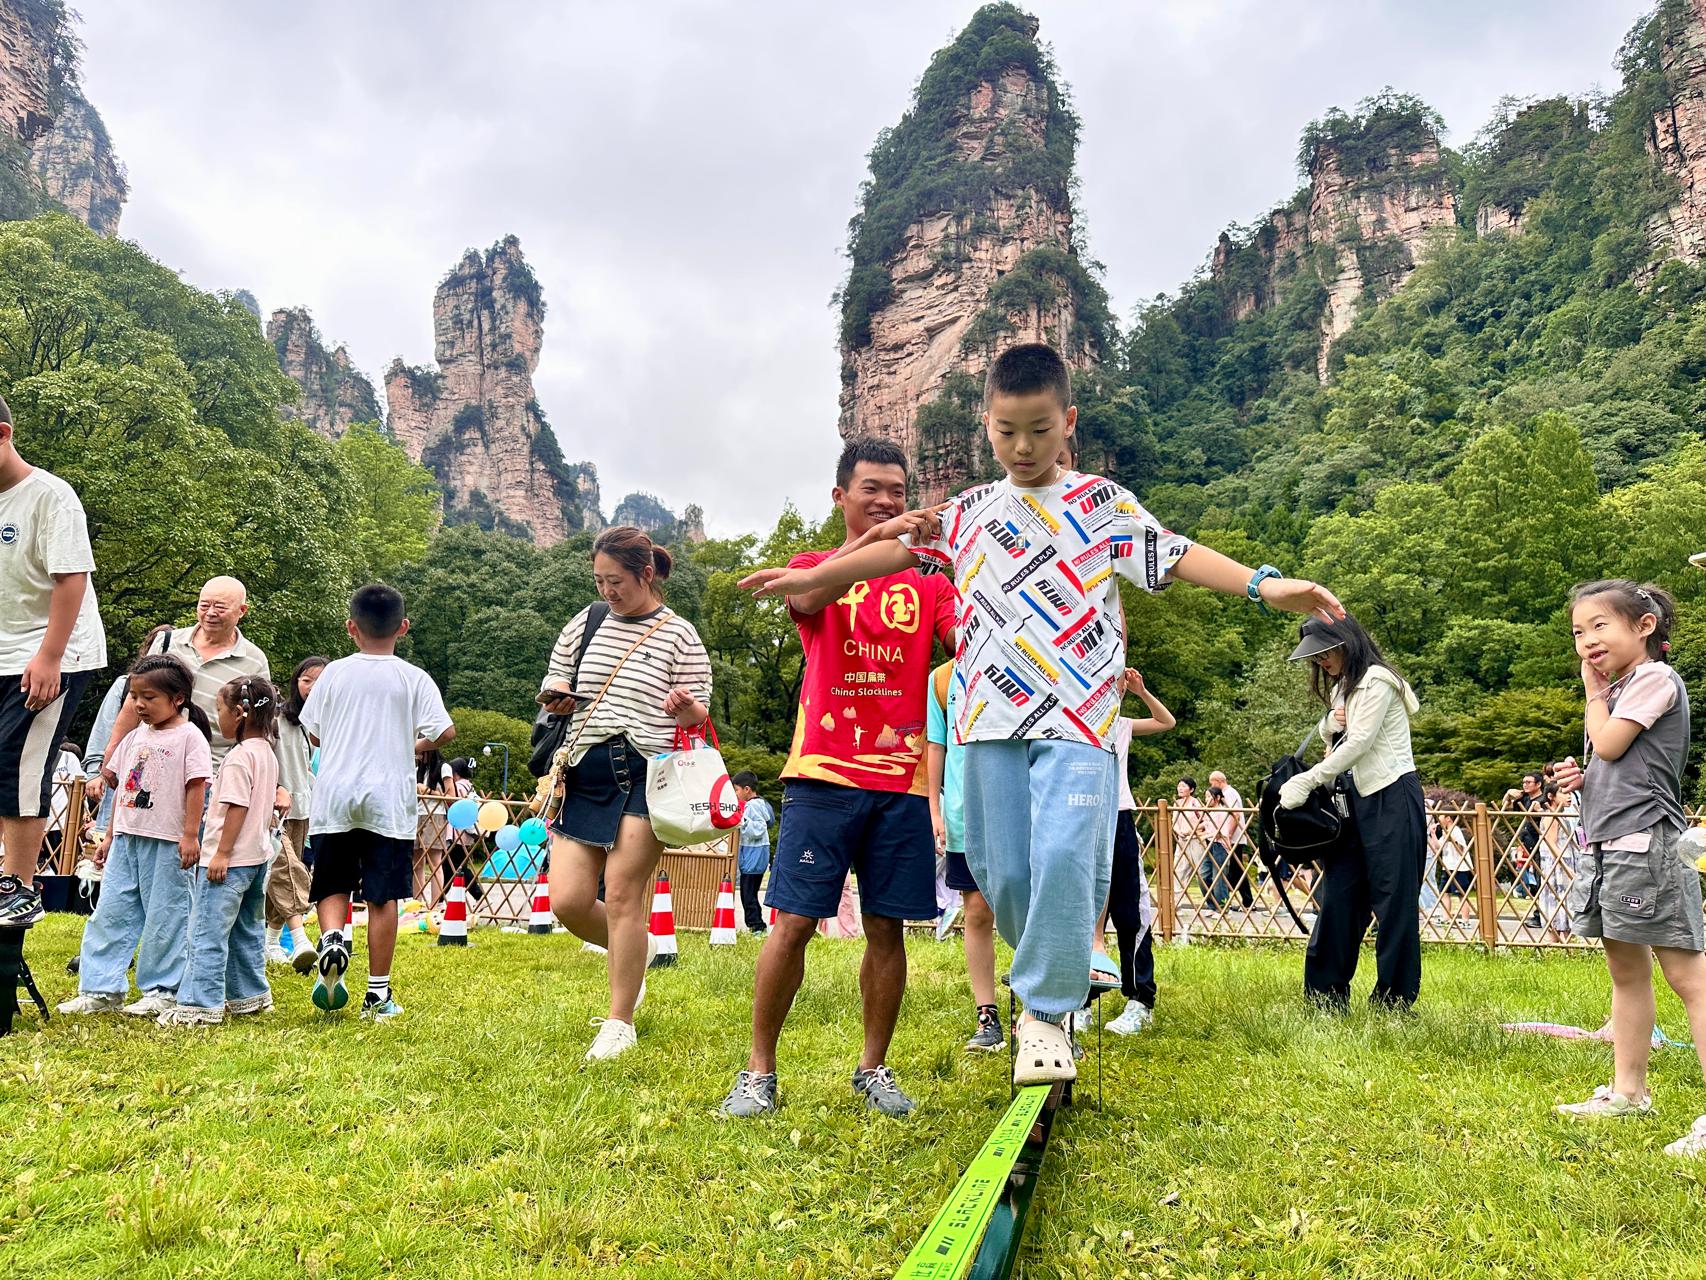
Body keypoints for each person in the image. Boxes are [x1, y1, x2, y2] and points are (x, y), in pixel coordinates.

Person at [741, 343, 1341, 1084]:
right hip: (986, 723)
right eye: (1005, 432)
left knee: (1063, 854)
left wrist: (1264, 585)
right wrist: (816, 576)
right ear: (985, 427)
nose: (1023, 448)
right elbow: (893, 557)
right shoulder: (967, 513)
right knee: (998, 870)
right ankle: (1046, 986)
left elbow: (1177, 554)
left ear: (1069, 423)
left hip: (1079, 720)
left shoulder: (1102, 505)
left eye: (1040, 430)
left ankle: (1048, 1011)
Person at [721, 437, 958, 1119]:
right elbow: (810, 593)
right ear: (840, 496)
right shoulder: (813, 567)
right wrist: (882, 538)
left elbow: (963, 641)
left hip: (903, 783)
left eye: (896, 492)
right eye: (871, 490)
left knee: (887, 929)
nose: (886, 502)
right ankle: (759, 1072)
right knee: (792, 921)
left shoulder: (929, 580)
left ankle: (873, 1068)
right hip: (823, 774)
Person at [538, 526, 711, 1061]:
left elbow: (699, 712)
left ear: (647, 574)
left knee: (621, 895)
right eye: (599, 580)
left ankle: (619, 1021)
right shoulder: (585, 622)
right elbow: (555, 687)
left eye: (616, 580)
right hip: (584, 769)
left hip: (644, 772)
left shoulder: (681, 635)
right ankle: (638, 948)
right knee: (567, 900)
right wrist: (557, 699)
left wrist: (685, 708)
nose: (607, 590)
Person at [1551, 581, 1706, 1158]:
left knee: (1690, 978)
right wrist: (1583, 779)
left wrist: (1593, 696)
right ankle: (1628, 1093)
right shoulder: (1624, 689)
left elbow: (1612, 745)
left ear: (1644, 627)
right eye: (1578, 632)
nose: (1587, 641)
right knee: (1626, 972)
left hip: (1649, 849)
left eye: (1599, 626)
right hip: (1614, 848)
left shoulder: (1654, 680)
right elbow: (1615, 764)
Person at [302, 583, 455, 1021]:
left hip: (335, 794)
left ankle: (332, 939)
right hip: (388, 799)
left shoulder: (332, 674)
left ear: (351, 628)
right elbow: (445, 732)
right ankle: (378, 994)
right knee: (383, 897)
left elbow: (314, 731)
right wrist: (410, 743)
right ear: (402, 627)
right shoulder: (413, 678)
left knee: (332, 883)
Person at [1280, 614, 1426, 1010]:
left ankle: (1393, 1002)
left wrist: (1307, 780)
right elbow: (1339, 739)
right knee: (1338, 897)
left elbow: (1360, 742)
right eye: (1316, 656)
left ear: (1346, 642)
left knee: (1394, 902)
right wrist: (1328, 724)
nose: (1322, 660)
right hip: (1349, 802)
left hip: (1391, 797)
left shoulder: (1378, 680)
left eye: (1326, 651)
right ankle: (1324, 996)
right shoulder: (1344, 686)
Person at [0, 393, 107, 925]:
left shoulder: (50, 497)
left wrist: (49, 658)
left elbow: (71, 579)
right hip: (3, 650)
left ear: (3, 435)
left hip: (55, 650)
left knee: (17, 759)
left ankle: (18, 887)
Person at [55, 656, 212, 1016]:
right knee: (111, 912)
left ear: (178, 699)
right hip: (127, 839)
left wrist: (190, 836)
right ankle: (101, 988)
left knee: (166, 916)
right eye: (135, 696)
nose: (139, 704)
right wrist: (109, 837)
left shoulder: (190, 738)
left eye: (149, 697)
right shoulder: (133, 738)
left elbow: (196, 788)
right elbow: (123, 790)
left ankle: (163, 989)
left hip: (168, 842)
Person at [160, 677, 281, 1026]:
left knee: (207, 933)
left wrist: (222, 854)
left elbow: (237, 806)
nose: (218, 719)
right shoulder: (266, 753)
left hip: (227, 862)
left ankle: (199, 1006)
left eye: (220, 710)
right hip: (256, 859)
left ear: (241, 713)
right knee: (246, 931)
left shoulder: (239, 757)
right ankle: (250, 996)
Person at [95, 576, 275, 781]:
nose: (210, 613)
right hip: (148, 761)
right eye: (204, 605)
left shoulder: (255, 660)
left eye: (220, 607)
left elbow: (260, 722)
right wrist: (113, 749)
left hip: (210, 771)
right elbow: (134, 699)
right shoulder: (167, 643)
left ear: (242, 611)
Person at [927, 658, 1002, 1051]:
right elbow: (935, 745)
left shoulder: (1016, 657)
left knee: (1026, 907)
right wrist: (935, 809)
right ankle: (987, 1015)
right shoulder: (941, 679)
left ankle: (1043, 1013)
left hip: (1013, 809)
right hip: (962, 811)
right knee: (976, 909)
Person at [1102, 669, 1176, 1034]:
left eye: (1116, 683)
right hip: (1080, 818)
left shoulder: (1123, 725)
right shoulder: (1068, 723)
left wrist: (1142, 691)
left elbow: (1167, 722)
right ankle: (1082, 1000)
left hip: (1117, 818)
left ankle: (1140, 999)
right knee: (1083, 914)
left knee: (1131, 910)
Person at [269, 655, 326, 970]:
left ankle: (270, 942)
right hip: (275, 807)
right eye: (307, 679)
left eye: (320, 680)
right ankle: (299, 937)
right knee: (288, 869)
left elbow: (308, 768)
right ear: (296, 682)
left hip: (304, 808)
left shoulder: (324, 723)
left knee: (281, 873)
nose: (312, 687)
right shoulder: (278, 719)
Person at [732, 772, 775, 936]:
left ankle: (757, 926)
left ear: (747, 789)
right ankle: (757, 925)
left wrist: (740, 819)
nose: (736, 794)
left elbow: (758, 828)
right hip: (755, 855)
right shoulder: (758, 804)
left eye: (736, 790)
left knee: (748, 894)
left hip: (754, 855)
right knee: (749, 893)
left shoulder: (753, 806)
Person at [415, 745, 455, 902]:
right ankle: (417, 902)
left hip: (436, 814)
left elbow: (450, 796)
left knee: (434, 862)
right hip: (417, 814)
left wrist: (428, 791)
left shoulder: (443, 767)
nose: (417, 754)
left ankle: (434, 904)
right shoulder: (419, 769)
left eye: (419, 750)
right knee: (416, 861)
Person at [1171, 777, 1205, 913]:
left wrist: (1191, 831)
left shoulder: (1195, 803)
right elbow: (1174, 822)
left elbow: (1205, 822)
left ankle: (1214, 904)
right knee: (1179, 872)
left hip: (1196, 841)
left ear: (1191, 789)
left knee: (1202, 873)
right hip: (1182, 841)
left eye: (1184, 786)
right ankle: (1176, 905)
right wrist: (1180, 832)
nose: (1180, 788)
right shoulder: (1176, 803)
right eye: (1179, 786)